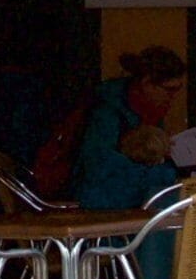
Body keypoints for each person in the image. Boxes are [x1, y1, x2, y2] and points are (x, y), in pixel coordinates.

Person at [72, 45, 190, 210]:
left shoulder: (150, 109)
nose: (172, 97)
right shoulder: (106, 113)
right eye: (169, 90)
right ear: (147, 83)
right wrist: (161, 174)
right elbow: (99, 166)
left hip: (131, 196)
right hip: (105, 203)